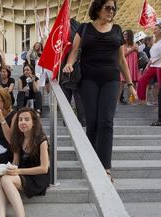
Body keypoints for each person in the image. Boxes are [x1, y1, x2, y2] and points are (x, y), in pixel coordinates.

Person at [63, 0, 137, 182]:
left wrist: (130, 84)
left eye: (113, 8)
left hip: (111, 80)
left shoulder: (117, 29)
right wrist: (69, 64)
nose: (111, 11)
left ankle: (105, 167)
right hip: (88, 80)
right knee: (93, 122)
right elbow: (74, 51)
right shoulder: (85, 28)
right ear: (97, 8)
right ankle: (91, 161)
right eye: (107, 8)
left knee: (106, 122)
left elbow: (121, 60)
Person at [0, 107, 49, 217]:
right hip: (23, 173)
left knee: (6, 180)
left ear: (33, 123)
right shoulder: (18, 138)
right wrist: (7, 169)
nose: (22, 122)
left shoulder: (42, 140)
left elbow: (44, 168)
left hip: (38, 177)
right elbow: (16, 161)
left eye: (27, 119)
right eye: (20, 119)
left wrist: (18, 171)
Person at [137, 24, 161, 104]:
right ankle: (142, 100)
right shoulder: (155, 42)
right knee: (141, 81)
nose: (154, 31)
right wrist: (147, 65)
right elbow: (152, 57)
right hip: (152, 65)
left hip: (160, 66)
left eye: (156, 29)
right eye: (154, 29)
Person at [119, 29, 139, 103]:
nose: (124, 36)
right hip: (125, 65)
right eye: (123, 34)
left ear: (130, 36)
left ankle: (132, 100)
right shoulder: (122, 44)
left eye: (126, 34)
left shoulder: (134, 44)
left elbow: (137, 53)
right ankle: (117, 101)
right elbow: (123, 55)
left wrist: (136, 49)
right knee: (121, 82)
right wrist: (132, 49)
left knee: (133, 82)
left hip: (133, 65)